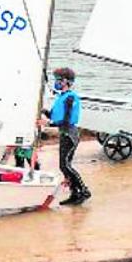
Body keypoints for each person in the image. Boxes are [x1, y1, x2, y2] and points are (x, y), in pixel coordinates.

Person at [42, 67, 89, 205]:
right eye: (55, 79)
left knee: (65, 165)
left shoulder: (70, 97)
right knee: (63, 166)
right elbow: (53, 115)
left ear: (66, 82)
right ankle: (75, 194)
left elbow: (66, 121)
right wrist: (44, 111)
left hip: (70, 135)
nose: (56, 82)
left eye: (58, 80)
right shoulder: (60, 97)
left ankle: (83, 191)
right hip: (64, 134)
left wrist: (48, 123)